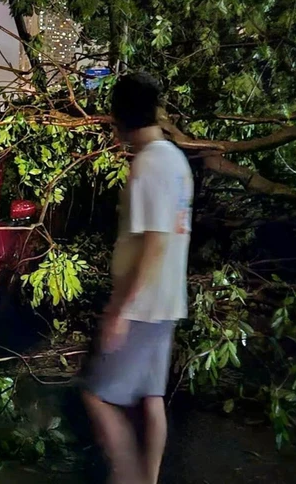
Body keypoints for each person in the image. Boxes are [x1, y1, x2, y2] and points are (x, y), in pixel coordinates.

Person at [82, 72, 193, 484]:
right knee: (151, 397)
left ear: (121, 116)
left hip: (143, 307)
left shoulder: (149, 165)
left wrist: (120, 311)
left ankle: (128, 477)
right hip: (166, 301)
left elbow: (155, 243)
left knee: (97, 395)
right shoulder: (175, 160)